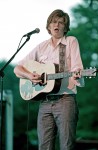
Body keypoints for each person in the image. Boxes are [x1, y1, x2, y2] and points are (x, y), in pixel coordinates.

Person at [14, 9, 84, 150]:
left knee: (66, 146)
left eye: (60, 22)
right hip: (45, 102)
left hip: (65, 100)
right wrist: (30, 76)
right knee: (44, 146)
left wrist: (77, 73)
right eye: (53, 22)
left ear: (65, 27)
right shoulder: (41, 47)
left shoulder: (70, 42)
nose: (56, 25)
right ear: (49, 26)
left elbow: (77, 67)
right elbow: (17, 68)